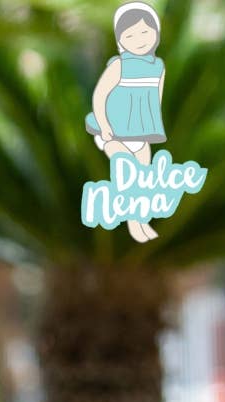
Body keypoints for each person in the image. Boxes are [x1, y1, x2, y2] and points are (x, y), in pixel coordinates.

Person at [84, 2, 166, 242]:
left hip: (140, 132)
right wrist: (105, 126)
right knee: (127, 175)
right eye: (130, 35)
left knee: (141, 182)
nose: (139, 39)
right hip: (114, 131)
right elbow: (100, 95)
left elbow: (156, 98)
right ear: (121, 40)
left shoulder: (158, 66)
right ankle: (133, 225)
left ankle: (138, 223)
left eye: (144, 32)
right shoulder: (119, 65)